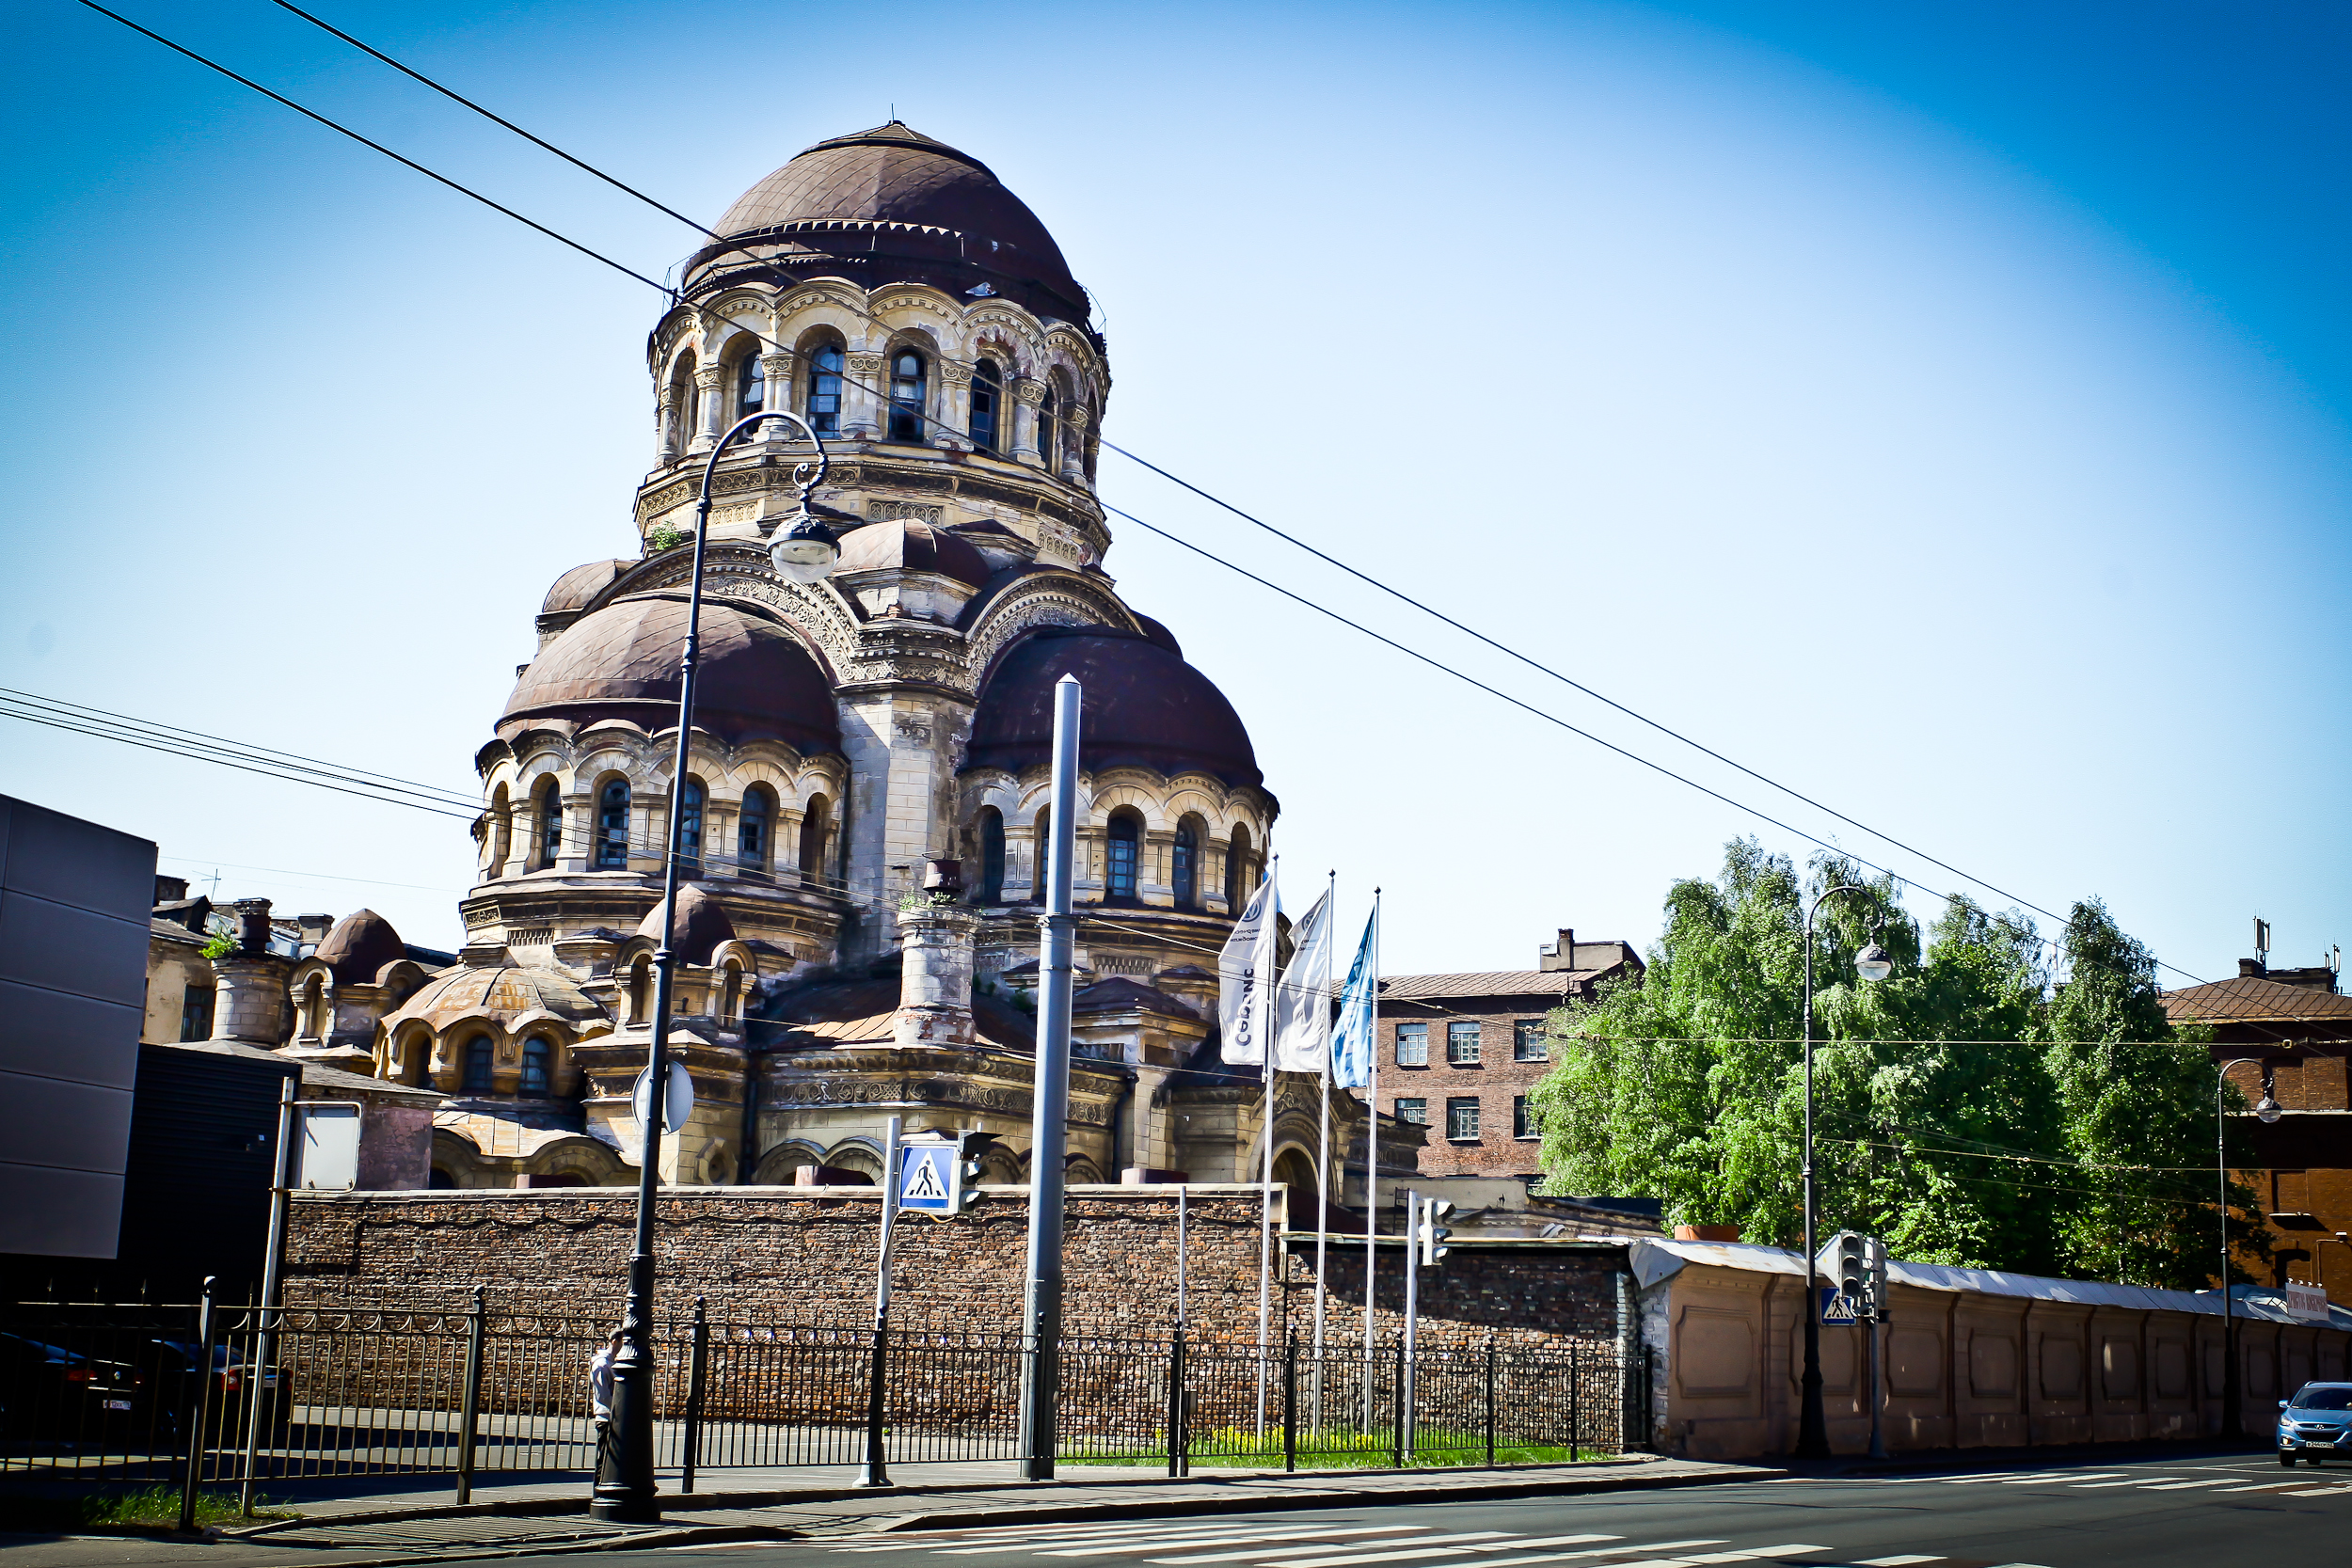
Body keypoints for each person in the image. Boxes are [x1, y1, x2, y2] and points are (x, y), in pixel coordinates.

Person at [589, 1327, 622, 1441]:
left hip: (614, 1418)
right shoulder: (602, 1365)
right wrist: (620, 1408)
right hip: (606, 1418)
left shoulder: (612, 1362)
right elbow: (602, 1395)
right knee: (604, 1457)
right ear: (615, 1342)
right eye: (624, 1342)